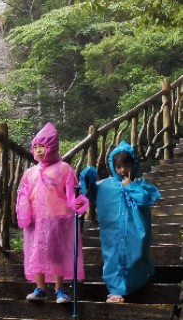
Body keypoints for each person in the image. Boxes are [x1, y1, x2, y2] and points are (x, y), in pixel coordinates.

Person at [15, 123, 89, 303]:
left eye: (43, 146)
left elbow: (72, 193)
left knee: (57, 254)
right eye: (36, 147)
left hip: (57, 219)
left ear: (52, 147)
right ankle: (40, 288)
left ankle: (59, 289)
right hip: (35, 220)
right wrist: (23, 213)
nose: (39, 151)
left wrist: (78, 203)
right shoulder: (30, 173)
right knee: (35, 253)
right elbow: (23, 195)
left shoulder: (64, 169)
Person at [80, 141, 161, 303]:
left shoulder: (140, 185)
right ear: (113, 166)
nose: (123, 170)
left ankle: (136, 284)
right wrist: (86, 178)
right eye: (118, 167)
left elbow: (147, 199)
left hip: (135, 231)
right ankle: (117, 290)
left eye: (127, 165)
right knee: (113, 258)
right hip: (113, 232)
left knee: (136, 256)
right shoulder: (105, 186)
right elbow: (86, 194)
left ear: (134, 164)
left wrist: (130, 186)